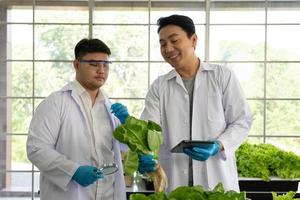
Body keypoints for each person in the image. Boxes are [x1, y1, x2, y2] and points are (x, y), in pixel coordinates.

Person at [111, 14, 253, 192]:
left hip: (217, 181)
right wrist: (138, 141)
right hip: (174, 184)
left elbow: (242, 120)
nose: (168, 49)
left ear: (193, 40)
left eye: (174, 40)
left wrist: (219, 145)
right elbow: (150, 129)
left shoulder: (222, 76)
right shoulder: (160, 86)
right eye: (163, 44)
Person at [26, 38, 127, 200]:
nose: (101, 70)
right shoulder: (55, 103)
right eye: (94, 64)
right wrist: (73, 171)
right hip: (69, 195)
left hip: (107, 194)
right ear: (77, 64)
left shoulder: (110, 108)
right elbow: (37, 149)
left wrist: (127, 126)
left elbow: (122, 152)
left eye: (105, 64)